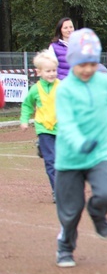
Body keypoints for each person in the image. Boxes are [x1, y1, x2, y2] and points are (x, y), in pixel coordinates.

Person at [54, 29, 107, 268]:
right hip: (70, 158)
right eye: (82, 64)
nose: (87, 69)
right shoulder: (64, 90)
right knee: (71, 211)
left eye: (92, 63)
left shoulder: (106, 83)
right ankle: (65, 247)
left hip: (98, 154)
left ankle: (97, 212)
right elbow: (67, 123)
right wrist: (80, 143)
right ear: (71, 60)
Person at [20, 50, 60, 202]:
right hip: (44, 129)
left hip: (61, 129)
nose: (51, 74)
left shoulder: (62, 86)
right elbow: (27, 106)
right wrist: (24, 120)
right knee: (51, 161)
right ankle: (57, 191)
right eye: (48, 71)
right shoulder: (35, 89)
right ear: (39, 72)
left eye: (54, 71)